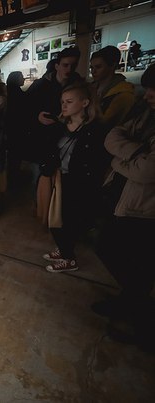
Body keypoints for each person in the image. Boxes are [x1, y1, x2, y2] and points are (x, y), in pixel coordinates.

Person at [92, 65, 155, 350]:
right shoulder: (145, 114)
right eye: (149, 88)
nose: (148, 94)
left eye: (154, 90)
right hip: (124, 198)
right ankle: (130, 302)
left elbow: (147, 171)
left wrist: (120, 160)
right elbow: (112, 136)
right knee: (110, 248)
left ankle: (143, 325)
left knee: (136, 263)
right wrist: (135, 153)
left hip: (145, 207)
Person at [41, 82, 110, 273]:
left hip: (80, 183)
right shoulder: (62, 125)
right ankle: (64, 249)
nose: (64, 105)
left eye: (69, 102)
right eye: (62, 102)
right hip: (60, 178)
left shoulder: (96, 130)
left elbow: (99, 161)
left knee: (69, 220)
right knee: (56, 217)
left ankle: (69, 258)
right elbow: (52, 150)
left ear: (85, 103)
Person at [25, 47, 83, 184]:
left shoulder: (79, 86)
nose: (69, 69)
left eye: (73, 65)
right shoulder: (40, 86)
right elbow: (25, 110)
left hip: (67, 139)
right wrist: (37, 117)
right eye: (65, 65)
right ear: (57, 66)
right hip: (42, 140)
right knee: (42, 180)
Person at [90, 46, 135, 128]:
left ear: (112, 66)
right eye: (91, 67)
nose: (93, 71)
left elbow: (105, 123)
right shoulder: (91, 86)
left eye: (98, 67)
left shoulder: (123, 94)